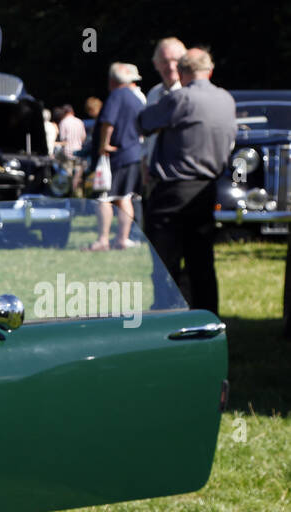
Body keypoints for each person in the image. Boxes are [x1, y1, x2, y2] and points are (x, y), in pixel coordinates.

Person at [137, 48, 236, 315]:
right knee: (201, 261)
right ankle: (207, 317)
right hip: (208, 188)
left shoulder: (181, 98)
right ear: (210, 71)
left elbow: (144, 122)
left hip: (173, 190)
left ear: (182, 72)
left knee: (165, 262)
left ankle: (166, 317)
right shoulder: (227, 99)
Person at [88, 63, 144, 250]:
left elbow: (108, 122)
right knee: (125, 197)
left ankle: (103, 240)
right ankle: (123, 238)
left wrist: (103, 144)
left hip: (116, 156)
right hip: (134, 153)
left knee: (104, 197)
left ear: (111, 81)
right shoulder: (136, 99)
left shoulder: (116, 96)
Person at [142, 36, 185, 192]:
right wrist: (144, 161)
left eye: (176, 60)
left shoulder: (191, 95)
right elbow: (147, 136)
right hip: (155, 176)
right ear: (156, 64)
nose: (171, 66)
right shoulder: (153, 94)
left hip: (182, 176)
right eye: (165, 61)